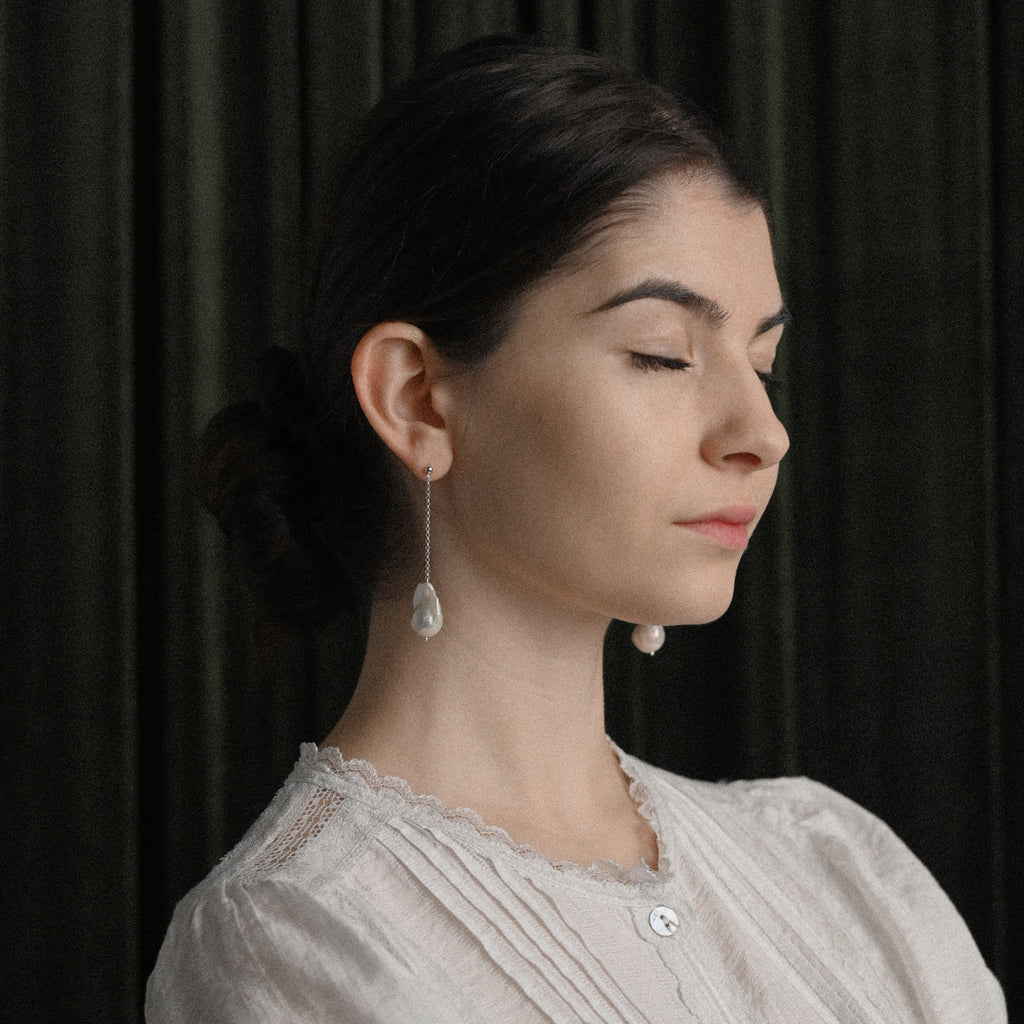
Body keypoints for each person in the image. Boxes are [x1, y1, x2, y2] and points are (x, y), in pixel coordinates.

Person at [146, 37, 1005, 1023]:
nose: (762, 434)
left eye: (761, 364)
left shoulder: (839, 872)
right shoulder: (298, 945)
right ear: (418, 397)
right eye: (661, 354)